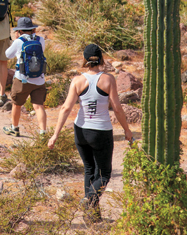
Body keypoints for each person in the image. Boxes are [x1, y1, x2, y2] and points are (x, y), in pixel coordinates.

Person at [48, 44, 134, 222]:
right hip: (100, 131)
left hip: (81, 130)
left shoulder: (77, 80)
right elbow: (117, 108)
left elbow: (65, 108)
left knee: (89, 169)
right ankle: (88, 200)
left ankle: (91, 215)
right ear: (101, 59)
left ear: (84, 60)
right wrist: (127, 129)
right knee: (104, 174)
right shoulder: (108, 79)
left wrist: (55, 134)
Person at [3, 17, 47, 137]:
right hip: (39, 79)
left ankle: (15, 128)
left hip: (22, 79)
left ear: (19, 31)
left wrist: (16, 40)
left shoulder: (19, 41)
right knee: (38, 106)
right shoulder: (41, 40)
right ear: (33, 29)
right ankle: (43, 132)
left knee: (16, 104)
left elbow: (7, 54)